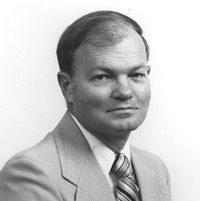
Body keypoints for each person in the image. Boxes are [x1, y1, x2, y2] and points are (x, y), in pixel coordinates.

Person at [0, 10, 172, 201]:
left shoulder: (155, 168)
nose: (124, 92)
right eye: (102, 77)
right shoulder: (31, 175)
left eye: (136, 75)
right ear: (67, 87)